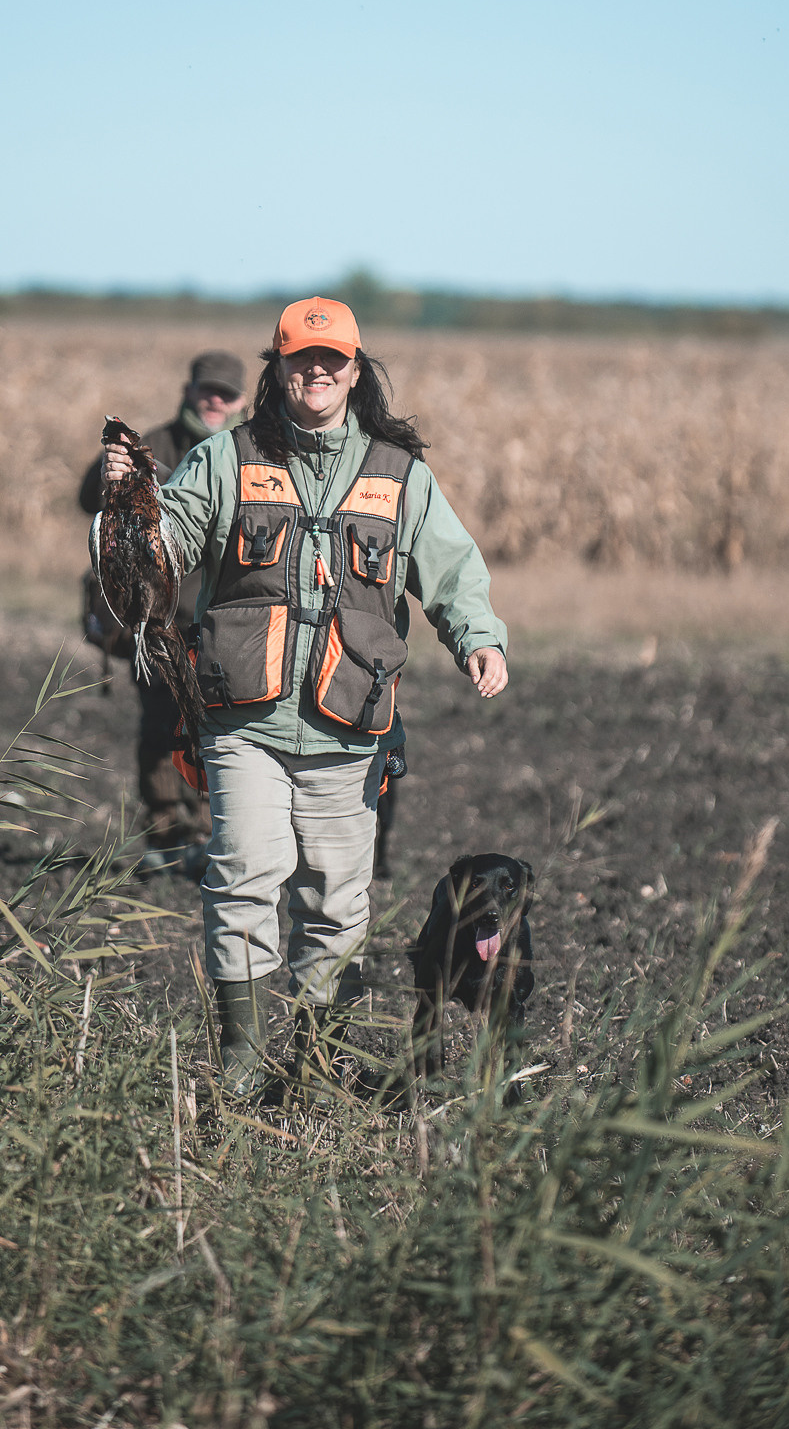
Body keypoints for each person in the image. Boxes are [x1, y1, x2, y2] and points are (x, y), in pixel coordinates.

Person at [102, 298, 508, 1095]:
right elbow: (159, 551)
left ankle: (318, 1065)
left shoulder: (400, 475)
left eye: (331, 359)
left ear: (357, 370)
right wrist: (127, 504)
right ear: (277, 368)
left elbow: (452, 569)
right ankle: (244, 1069)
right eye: (298, 358)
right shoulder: (225, 458)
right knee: (245, 876)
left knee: (335, 900)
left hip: (348, 727)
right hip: (241, 723)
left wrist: (478, 637)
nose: (315, 371)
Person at [79, 349, 247, 875]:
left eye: (226, 393)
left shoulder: (252, 452)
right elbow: (89, 498)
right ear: (189, 391)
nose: (215, 401)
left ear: (243, 400)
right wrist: (112, 468)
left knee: (212, 727)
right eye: (207, 390)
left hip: (226, 617)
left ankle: (205, 832)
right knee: (158, 726)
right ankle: (165, 834)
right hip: (157, 616)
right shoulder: (155, 443)